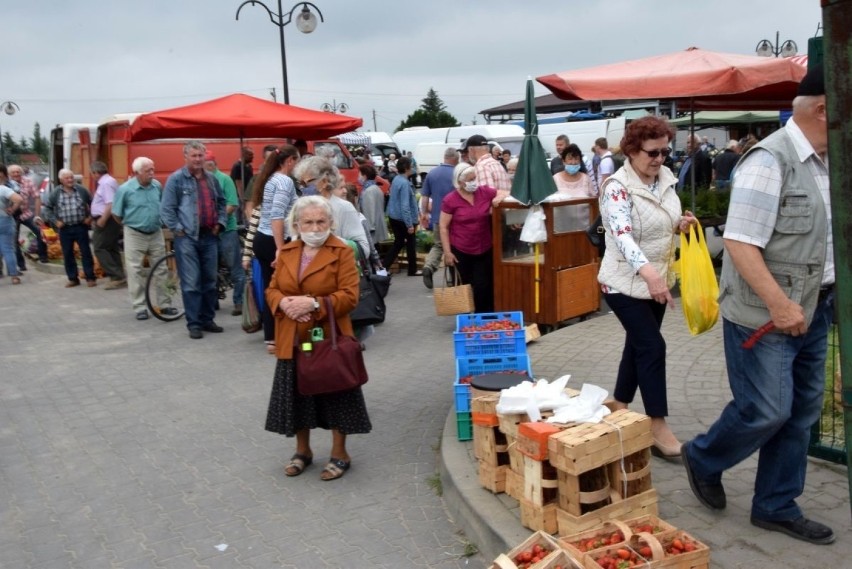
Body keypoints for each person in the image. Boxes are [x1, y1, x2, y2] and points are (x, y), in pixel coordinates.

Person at [682, 65, 836, 545]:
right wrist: (781, 305)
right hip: (768, 315)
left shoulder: (829, 160)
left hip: (816, 307)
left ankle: (774, 505)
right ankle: (703, 457)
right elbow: (741, 243)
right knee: (767, 410)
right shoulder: (769, 161)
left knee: (801, 415)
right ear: (824, 108)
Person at [597, 116, 697, 460]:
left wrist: (681, 224)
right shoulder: (617, 187)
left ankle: (620, 405)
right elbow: (621, 234)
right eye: (652, 153)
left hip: (658, 282)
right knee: (652, 346)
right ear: (632, 150)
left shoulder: (666, 179)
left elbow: (665, 220)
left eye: (665, 152)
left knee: (638, 346)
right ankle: (657, 425)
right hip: (622, 283)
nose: (659, 159)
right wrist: (650, 275)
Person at [264, 195, 370, 482]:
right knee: (297, 395)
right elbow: (272, 289)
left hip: (328, 338)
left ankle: (340, 453)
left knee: (336, 394)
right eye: (308, 222)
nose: (314, 227)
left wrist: (312, 304)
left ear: (330, 222)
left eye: (320, 221)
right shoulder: (287, 251)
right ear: (296, 224)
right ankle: (303, 451)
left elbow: (350, 296)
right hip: (294, 335)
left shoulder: (342, 251)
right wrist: (284, 304)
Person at [160, 141, 227, 339]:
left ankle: (207, 319)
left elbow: (222, 203)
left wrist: (220, 223)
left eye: (200, 155)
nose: (198, 159)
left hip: (209, 236)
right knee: (191, 283)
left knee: (209, 281)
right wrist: (178, 230)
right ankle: (194, 323)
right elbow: (166, 209)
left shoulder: (212, 179)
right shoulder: (177, 179)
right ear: (186, 157)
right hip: (187, 238)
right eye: (194, 156)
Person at [252, 144, 301, 353]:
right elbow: (277, 215)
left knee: (270, 288)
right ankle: (279, 335)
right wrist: (281, 248)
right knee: (282, 288)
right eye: (297, 161)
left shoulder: (271, 178)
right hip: (274, 240)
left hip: (263, 238)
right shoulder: (284, 181)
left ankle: (271, 336)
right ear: (289, 161)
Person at [112, 157, 171, 321]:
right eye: (147, 171)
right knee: (135, 270)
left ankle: (164, 304)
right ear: (136, 173)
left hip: (155, 232)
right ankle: (140, 307)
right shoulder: (125, 189)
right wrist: (129, 225)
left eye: (153, 169)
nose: (152, 173)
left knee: (161, 269)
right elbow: (116, 214)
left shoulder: (157, 186)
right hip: (134, 233)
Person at [440, 163, 501, 313]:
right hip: (460, 250)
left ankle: (484, 317)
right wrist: (447, 252)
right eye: (469, 180)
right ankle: (466, 319)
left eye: (474, 178)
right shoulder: (450, 200)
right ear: (459, 182)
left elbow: (504, 192)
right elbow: (443, 227)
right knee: (464, 286)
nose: (473, 182)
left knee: (483, 285)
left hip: (484, 248)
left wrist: (497, 200)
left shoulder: (484, 192)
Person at [295, 157, 370, 257]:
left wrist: (329, 241)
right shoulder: (301, 207)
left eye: (306, 183)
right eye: (300, 183)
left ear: (325, 181)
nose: (302, 188)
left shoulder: (344, 207)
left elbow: (363, 250)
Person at [204, 151, 246, 316]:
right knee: (210, 268)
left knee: (234, 266)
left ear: (211, 164)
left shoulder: (224, 179)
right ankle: (213, 301)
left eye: (205, 163)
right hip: (208, 231)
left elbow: (232, 204)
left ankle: (239, 302)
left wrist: (217, 222)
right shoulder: (201, 180)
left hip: (226, 230)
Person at [42, 169, 97, 288]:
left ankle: (90, 277)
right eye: (67, 178)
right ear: (61, 180)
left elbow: (94, 203)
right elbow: (47, 208)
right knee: (67, 254)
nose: (70, 180)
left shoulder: (82, 190)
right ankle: (73, 278)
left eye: (71, 177)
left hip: (81, 226)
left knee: (86, 252)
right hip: (65, 229)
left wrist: (90, 218)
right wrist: (55, 221)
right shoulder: (56, 192)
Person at [419, 146, 459, 289]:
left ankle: (429, 266)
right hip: (455, 218)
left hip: (437, 217)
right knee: (454, 247)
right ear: (455, 159)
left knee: (439, 245)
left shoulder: (432, 173)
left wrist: (424, 213)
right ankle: (452, 278)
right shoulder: (457, 174)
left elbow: (425, 197)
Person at [90, 161, 127, 289]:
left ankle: (116, 275)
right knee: (111, 247)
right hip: (110, 219)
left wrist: (103, 220)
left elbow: (110, 203)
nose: (93, 176)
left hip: (107, 220)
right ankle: (119, 276)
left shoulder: (106, 183)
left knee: (99, 247)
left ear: (95, 173)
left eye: (93, 173)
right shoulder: (109, 181)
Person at [381, 156, 419, 275]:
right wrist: (409, 224)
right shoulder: (405, 183)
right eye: (411, 166)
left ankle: (384, 266)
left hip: (394, 216)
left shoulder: (396, 179)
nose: (412, 168)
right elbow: (405, 205)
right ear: (407, 168)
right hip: (403, 218)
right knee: (410, 243)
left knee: (399, 242)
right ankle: (412, 269)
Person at [8, 164, 48, 266]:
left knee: (40, 231)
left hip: (26, 213)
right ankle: (21, 264)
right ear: (9, 174)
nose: (16, 174)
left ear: (21, 173)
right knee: (14, 239)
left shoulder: (28, 181)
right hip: (11, 215)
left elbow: (37, 197)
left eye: (18, 172)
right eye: (13, 172)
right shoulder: (6, 184)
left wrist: (37, 215)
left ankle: (43, 257)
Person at [0, 165, 24, 285]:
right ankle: (14, 275)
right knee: (8, 249)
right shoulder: (4, 189)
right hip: (4, 219)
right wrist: (12, 209)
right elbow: (19, 199)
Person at [357, 164, 388, 245]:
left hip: (371, 231)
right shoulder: (376, 188)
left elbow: (369, 212)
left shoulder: (368, 191)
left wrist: (369, 228)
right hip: (378, 227)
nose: (358, 177)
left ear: (365, 176)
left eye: (359, 174)